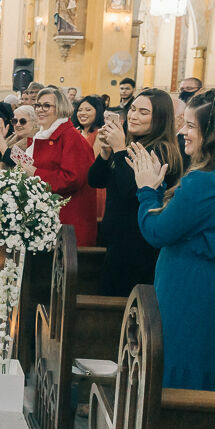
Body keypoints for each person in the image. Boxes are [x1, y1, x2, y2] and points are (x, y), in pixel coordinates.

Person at [130, 91, 215, 392]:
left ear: (214, 132)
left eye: (190, 125)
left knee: (181, 358)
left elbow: (158, 232)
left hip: (188, 284)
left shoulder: (204, 181)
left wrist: (148, 191)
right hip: (211, 280)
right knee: (204, 359)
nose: (182, 132)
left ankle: (172, 428)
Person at [89, 89, 183, 295]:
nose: (133, 116)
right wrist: (105, 153)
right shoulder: (131, 145)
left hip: (139, 245)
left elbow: (130, 191)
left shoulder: (162, 150)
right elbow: (95, 180)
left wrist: (120, 149)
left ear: (160, 118)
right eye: (132, 109)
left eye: (143, 112)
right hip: (117, 240)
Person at [17, 87, 98, 246]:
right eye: (38, 105)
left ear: (60, 108)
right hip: (51, 217)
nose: (40, 110)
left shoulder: (71, 137)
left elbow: (72, 179)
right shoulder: (46, 134)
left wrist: (35, 173)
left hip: (69, 220)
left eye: (47, 106)